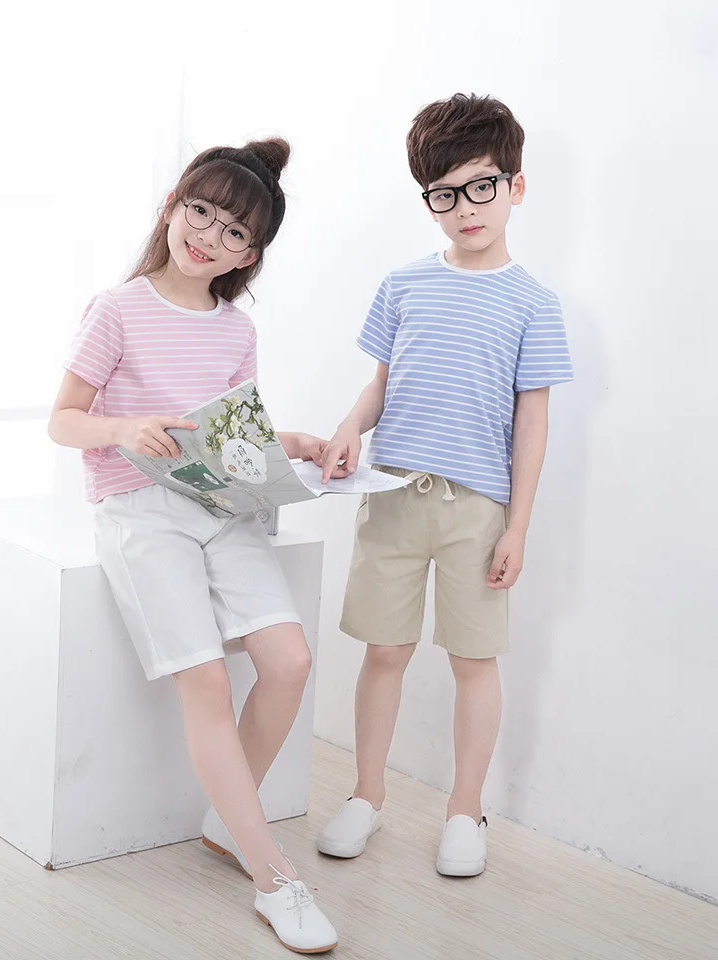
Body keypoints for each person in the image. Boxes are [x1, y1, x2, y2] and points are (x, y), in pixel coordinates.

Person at [49, 137, 338, 954]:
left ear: (251, 255)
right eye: (201, 211)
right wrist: (123, 428)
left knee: (289, 662)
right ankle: (273, 877)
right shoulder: (117, 309)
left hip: (221, 506)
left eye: (234, 231)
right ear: (173, 206)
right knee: (205, 679)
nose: (209, 235)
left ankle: (226, 820)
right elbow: (62, 420)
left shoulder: (236, 329)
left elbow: (230, 435)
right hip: (139, 507)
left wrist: (294, 444)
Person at [317, 94, 573, 878]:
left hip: (478, 510)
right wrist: (348, 427)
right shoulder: (403, 285)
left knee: (473, 660)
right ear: (427, 200)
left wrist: (518, 525)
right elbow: (381, 385)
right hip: (392, 494)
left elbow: (533, 424)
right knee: (385, 651)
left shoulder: (534, 303)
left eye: (481, 186)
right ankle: (367, 795)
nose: (465, 208)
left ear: (515, 186)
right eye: (444, 193)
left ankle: (467, 810)